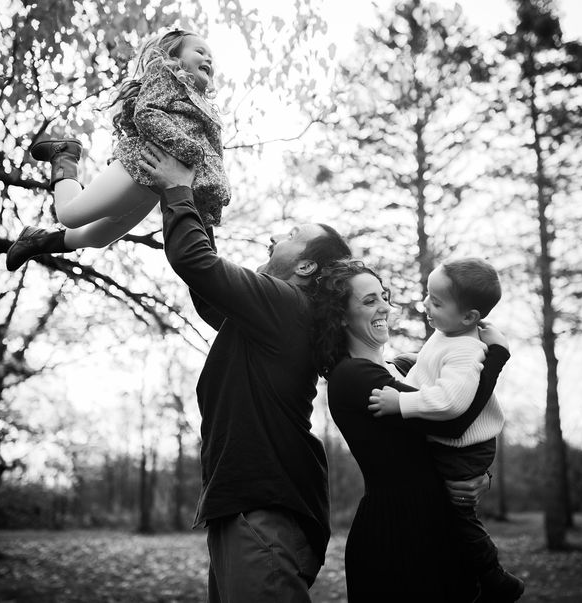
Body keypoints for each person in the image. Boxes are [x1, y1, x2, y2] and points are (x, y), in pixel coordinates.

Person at [135, 143, 349, 601]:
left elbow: (197, 264)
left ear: (306, 265)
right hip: (252, 507)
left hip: (264, 510)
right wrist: (199, 206)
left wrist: (178, 191)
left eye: (291, 234)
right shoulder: (280, 313)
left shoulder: (288, 303)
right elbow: (210, 295)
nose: (274, 238)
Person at [310, 259, 512, 602]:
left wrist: (480, 476)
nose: (384, 307)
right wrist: (497, 356)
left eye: (383, 296)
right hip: (397, 537)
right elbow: (454, 422)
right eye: (369, 301)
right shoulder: (353, 377)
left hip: (439, 531)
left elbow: (456, 418)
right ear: (341, 316)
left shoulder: (404, 367)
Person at [5, 27, 229, 271]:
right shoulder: (166, 75)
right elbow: (146, 112)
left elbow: (211, 161)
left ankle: (36, 240)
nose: (208, 59)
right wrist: (186, 147)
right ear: (175, 56)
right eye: (200, 52)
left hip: (156, 185)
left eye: (211, 57)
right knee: (69, 215)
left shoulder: (206, 110)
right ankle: (64, 155)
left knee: (98, 238)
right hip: (140, 163)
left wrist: (211, 200)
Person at [367, 258, 525, 601]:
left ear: (468, 317)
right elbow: (426, 368)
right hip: (458, 443)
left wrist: (401, 403)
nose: (425, 304)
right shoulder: (447, 334)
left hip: (467, 448)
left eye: (436, 302)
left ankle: (494, 577)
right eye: (428, 295)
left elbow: (451, 403)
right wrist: (397, 367)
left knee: (458, 514)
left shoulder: (466, 350)